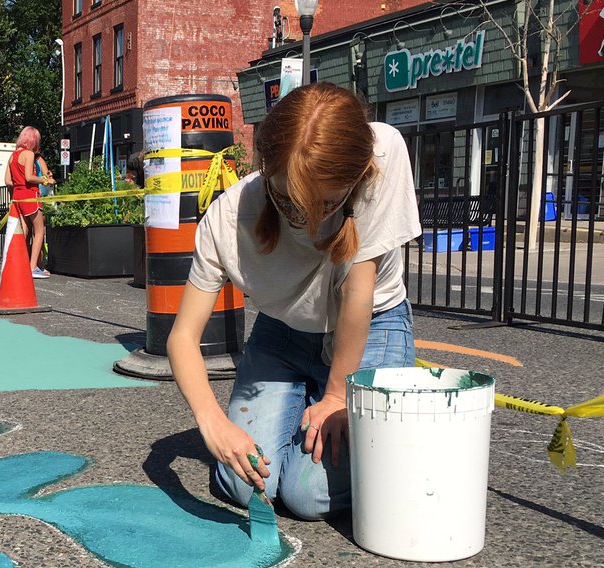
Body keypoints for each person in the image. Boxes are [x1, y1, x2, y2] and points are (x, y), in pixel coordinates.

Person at [167, 83, 420, 522]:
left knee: (307, 496)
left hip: (372, 323)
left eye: (327, 202)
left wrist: (340, 394)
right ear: (265, 170)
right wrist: (212, 422)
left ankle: (388, 434)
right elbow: (182, 338)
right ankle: (307, 401)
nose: (310, 220)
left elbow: (357, 293)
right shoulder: (228, 219)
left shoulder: (380, 154)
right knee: (244, 484)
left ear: (357, 178)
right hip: (283, 331)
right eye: (289, 202)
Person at [5, 126, 55, 278]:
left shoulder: (13, 156)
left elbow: (7, 180)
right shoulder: (29, 154)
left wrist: (18, 186)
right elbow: (29, 177)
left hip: (17, 196)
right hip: (30, 195)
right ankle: (33, 267)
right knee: (39, 231)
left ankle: (18, 264)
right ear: (34, 140)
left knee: (23, 232)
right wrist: (45, 180)